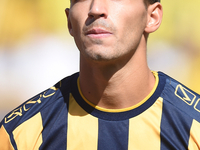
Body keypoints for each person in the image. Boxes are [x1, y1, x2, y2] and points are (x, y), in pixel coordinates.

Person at [1, 0, 200, 149]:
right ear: (69, 21)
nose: (96, 9)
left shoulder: (194, 127)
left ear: (152, 17)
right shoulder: (17, 136)